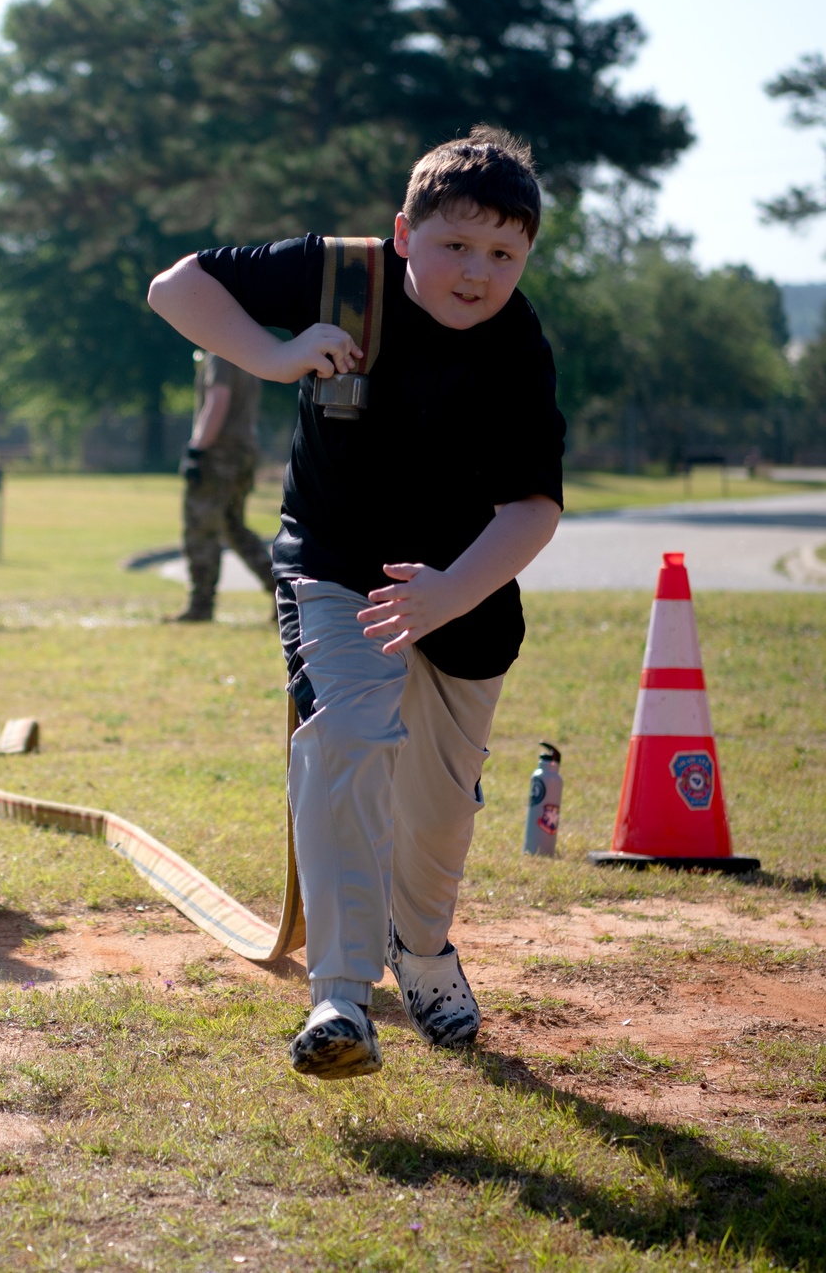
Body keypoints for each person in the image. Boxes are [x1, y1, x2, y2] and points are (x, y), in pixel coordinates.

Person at [145, 126, 564, 1079]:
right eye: (455, 244)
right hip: (334, 565)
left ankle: (422, 952)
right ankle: (341, 996)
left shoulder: (518, 344)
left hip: (466, 589)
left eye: (503, 253)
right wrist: (274, 352)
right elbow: (176, 288)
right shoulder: (343, 277)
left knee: (439, 808)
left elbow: (533, 507)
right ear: (403, 234)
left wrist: (450, 593)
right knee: (346, 739)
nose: (476, 272)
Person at [176, 349, 277, 622]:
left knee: (201, 527)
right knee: (233, 527)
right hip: (243, 453)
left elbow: (218, 400)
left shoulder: (220, 351)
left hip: (220, 454)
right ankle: (282, 592)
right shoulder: (245, 350)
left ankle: (200, 605)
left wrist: (197, 449)